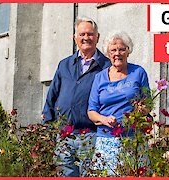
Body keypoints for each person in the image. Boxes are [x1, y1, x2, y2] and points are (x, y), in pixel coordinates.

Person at [42, 16, 111, 177]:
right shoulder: (64, 64)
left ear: (97, 37)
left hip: (91, 136)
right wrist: (46, 128)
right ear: (75, 38)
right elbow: (52, 96)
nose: (86, 38)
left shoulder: (106, 67)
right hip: (64, 136)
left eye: (90, 34)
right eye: (82, 34)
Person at [88, 31, 150, 175]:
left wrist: (137, 113)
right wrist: (104, 119)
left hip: (133, 139)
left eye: (122, 49)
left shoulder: (139, 72)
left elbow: (147, 104)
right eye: (113, 50)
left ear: (128, 51)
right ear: (108, 54)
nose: (118, 53)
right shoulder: (99, 78)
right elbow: (91, 111)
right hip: (106, 139)